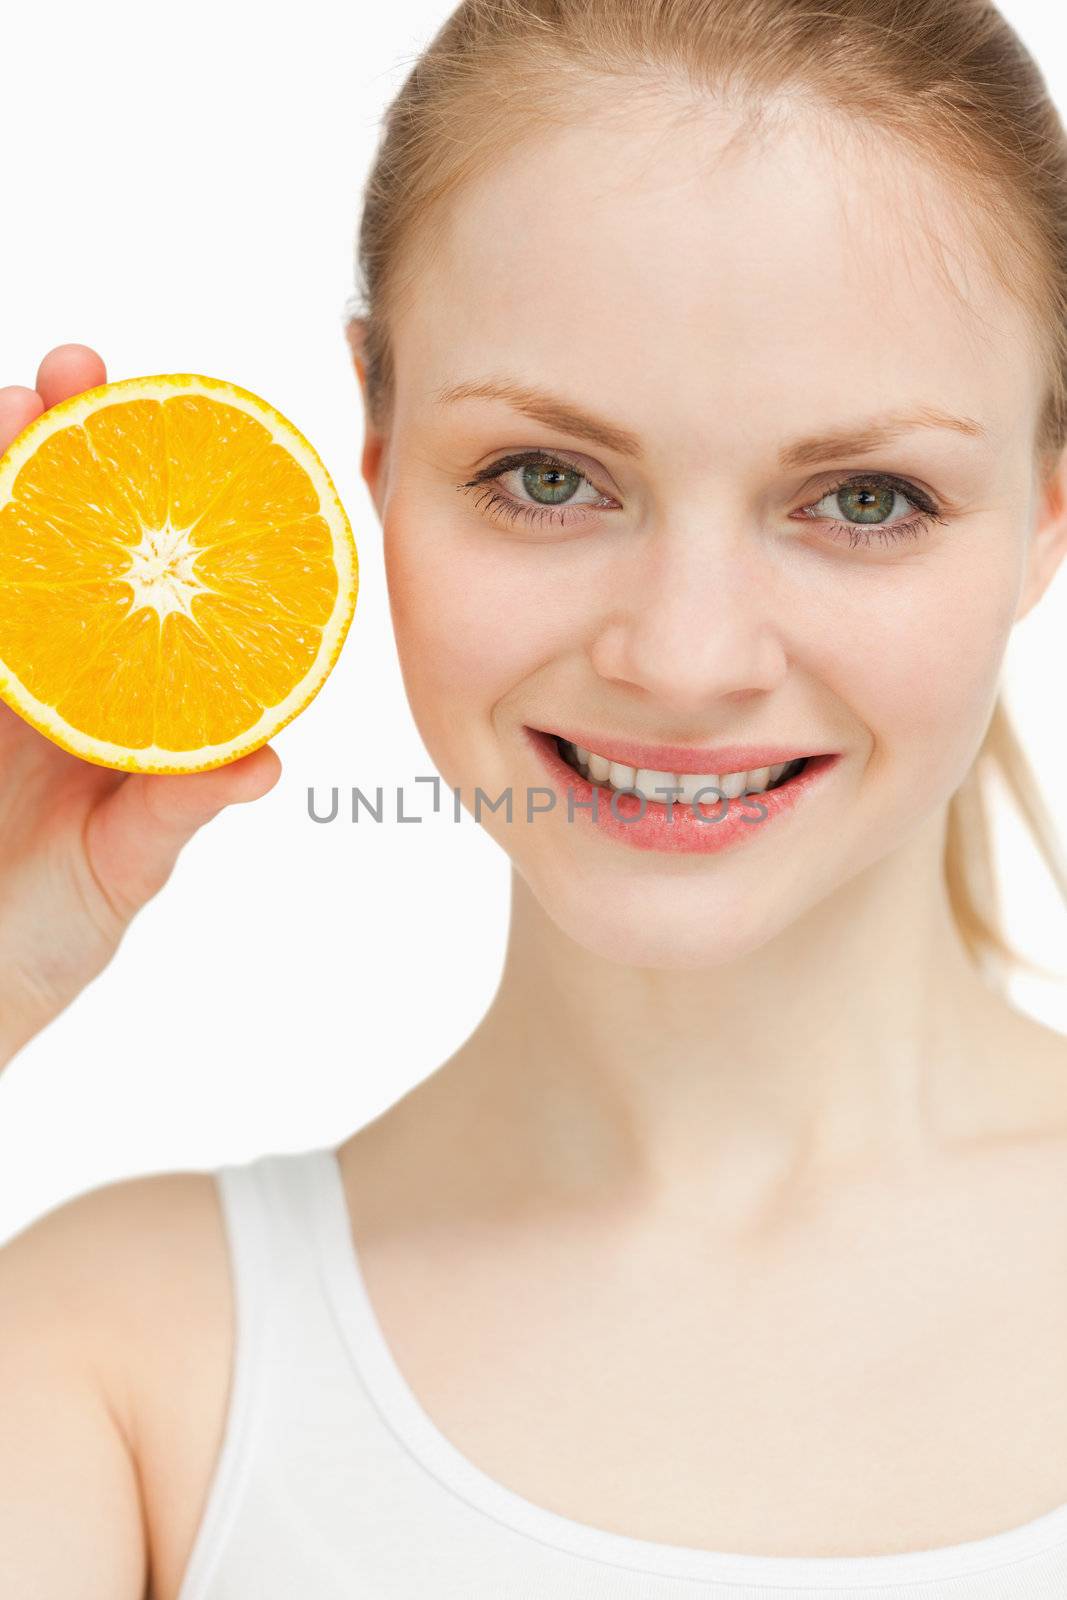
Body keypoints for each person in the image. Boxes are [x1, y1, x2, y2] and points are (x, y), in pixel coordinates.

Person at [4, 0, 1067, 1595]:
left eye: (867, 498)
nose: (687, 657)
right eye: (549, 480)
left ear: (1048, 506)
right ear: (373, 441)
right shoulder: (119, 1370)